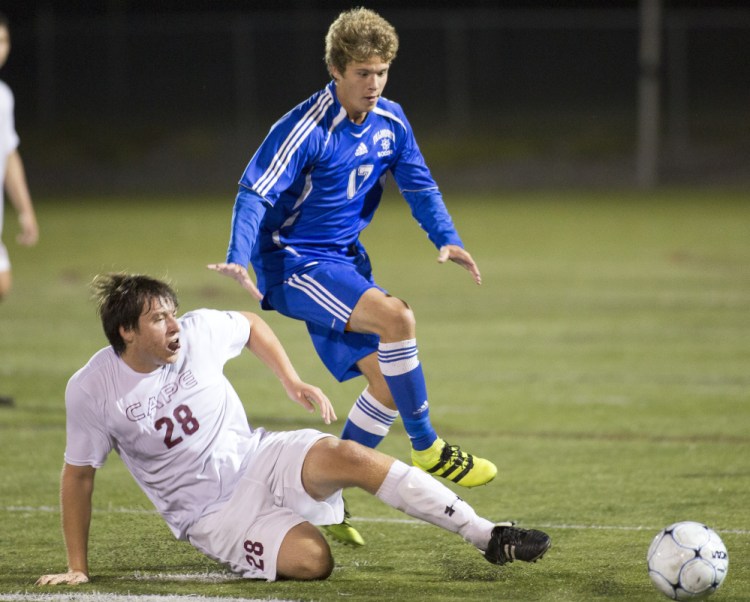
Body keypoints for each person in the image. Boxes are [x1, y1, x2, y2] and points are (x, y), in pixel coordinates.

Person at [35, 272, 551, 585]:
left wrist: (290, 379)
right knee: (313, 562)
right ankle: (281, 528)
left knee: (348, 455)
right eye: (157, 320)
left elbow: (251, 323)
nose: (174, 326)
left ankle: (486, 533)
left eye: (173, 314)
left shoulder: (194, 333)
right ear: (126, 332)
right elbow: (78, 476)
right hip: (213, 515)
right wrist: (77, 566)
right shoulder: (92, 389)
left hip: (258, 456)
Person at [219, 6, 494, 545]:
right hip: (293, 261)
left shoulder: (392, 120)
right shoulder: (305, 128)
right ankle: (428, 446)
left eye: (382, 72)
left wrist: (447, 237)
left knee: (388, 385)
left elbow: (419, 183)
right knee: (398, 318)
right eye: (363, 73)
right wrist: (239, 253)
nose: (374, 84)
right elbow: (255, 191)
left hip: (342, 262)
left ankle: (329, 503)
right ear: (337, 71)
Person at [0, 12, 39, 407]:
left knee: (2, 283)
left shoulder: (3, 96)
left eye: (3, 42)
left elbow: (8, 154)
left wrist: (24, 209)